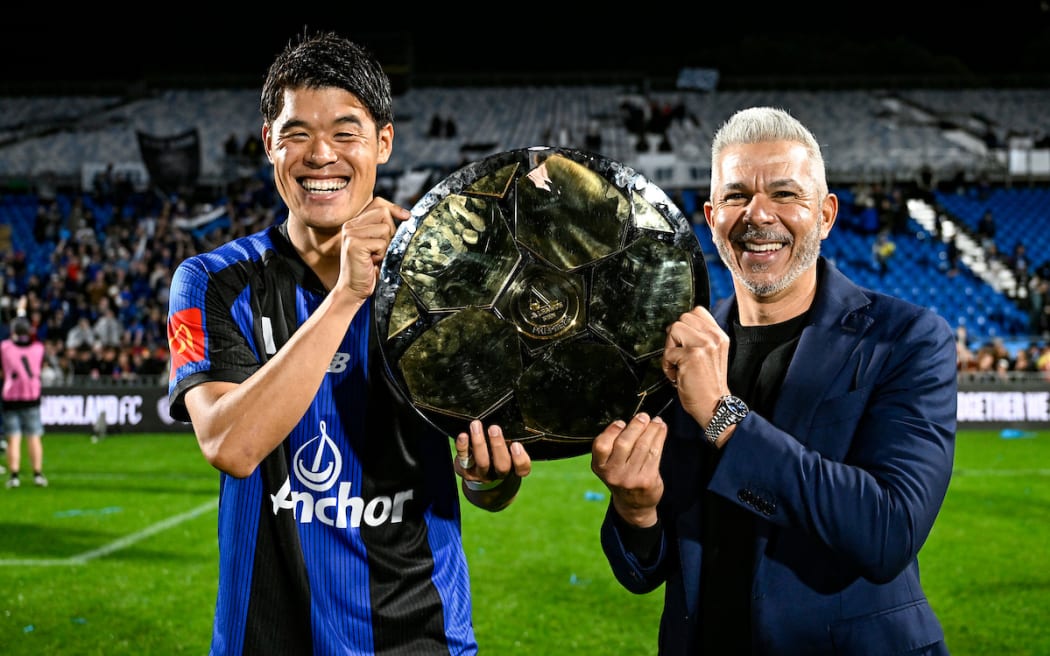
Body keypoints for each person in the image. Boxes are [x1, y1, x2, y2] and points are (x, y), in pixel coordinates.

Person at [166, 31, 531, 656]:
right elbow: (229, 445)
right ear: (268, 145)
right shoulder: (210, 281)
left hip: (416, 637)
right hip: (266, 639)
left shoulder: (448, 286)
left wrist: (487, 478)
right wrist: (346, 298)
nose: (320, 155)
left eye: (345, 132)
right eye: (297, 133)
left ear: (383, 141)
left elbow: (488, 487)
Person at [590, 106, 956, 655]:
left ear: (827, 214)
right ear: (711, 216)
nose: (758, 215)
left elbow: (888, 532)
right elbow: (649, 570)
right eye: (736, 196)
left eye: (785, 194)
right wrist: (637, 512)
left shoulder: (906, 340)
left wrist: (722, 416)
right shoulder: (673, 351)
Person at [2, 316, 48, 488]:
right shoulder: (38, 348)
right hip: (31, 396)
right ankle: (37, 473)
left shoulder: (5, 348)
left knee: (13, 438)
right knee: (34, 437)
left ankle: (14, 475)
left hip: (11, 396)